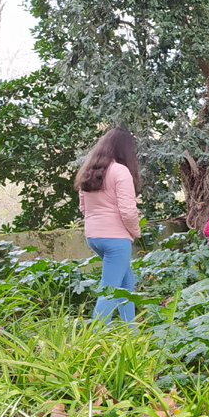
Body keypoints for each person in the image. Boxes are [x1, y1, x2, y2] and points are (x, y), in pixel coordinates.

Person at [75, 127, 141, 324]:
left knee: (126, 282)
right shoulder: (121, 171)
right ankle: (93, 339)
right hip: (116, 238)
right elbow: (128, 212)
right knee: (110, 289)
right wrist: (135, 231)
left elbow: (83, 207)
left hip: (94, 236)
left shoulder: (89, 172)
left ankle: (132, 331)